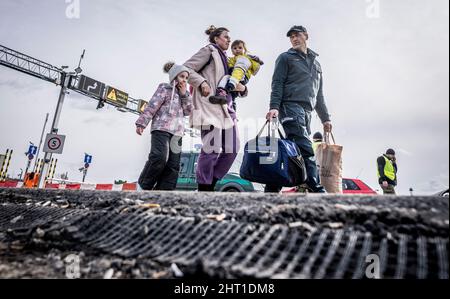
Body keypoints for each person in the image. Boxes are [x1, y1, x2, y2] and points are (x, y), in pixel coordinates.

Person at [265, 25, 332, 193]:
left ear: (306, 36)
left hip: (307, 112)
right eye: (291, 37)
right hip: (289, 107)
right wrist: (274, 107)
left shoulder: (317, 64)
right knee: (305, 148)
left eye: (297, 35)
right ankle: (315, 187)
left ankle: (272, 189)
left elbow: (319, 94)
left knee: (291, 151)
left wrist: (325, 118)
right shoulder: (285, 58)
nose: (294, 39)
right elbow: (277, 84)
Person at [183, 25, 247, 192]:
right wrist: (202, 82)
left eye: (229, 37)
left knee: (233, 148)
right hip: (208, 105)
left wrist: (242, 88)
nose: (229, 40)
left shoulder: (228, 58)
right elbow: (185, 69)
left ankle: (210, 183)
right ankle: (204, 187)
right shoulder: (209, 51)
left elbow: (228, 81)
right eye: (226, 37)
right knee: (211, 148)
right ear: (216, 38)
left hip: (226, 108)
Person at [136, 62, 193, 191]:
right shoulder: (164, 88)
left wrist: (184, 94)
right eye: (182, 76)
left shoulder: (186, 95)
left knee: (173, 164)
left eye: (186, 78)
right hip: (161, 128)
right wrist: (142, 122)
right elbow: (152, 106)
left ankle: (163, 192)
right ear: (174, 76)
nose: (184, 80)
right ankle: (143, 186)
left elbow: (188, 111)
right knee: (159, 157)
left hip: (177, 133)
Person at [209, 39, 264, 110]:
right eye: (234, 48)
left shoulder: (244, 58)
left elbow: (239, 70)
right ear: (232, 51)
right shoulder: (233, 59)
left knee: (226, 78)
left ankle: (221, 92)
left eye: (240, 48)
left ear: (245, 49)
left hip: (242, 76)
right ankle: (232, 105)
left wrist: (233, 82)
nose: (237, 50)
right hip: (235, 76)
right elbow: (227, 63)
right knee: (233, 94)